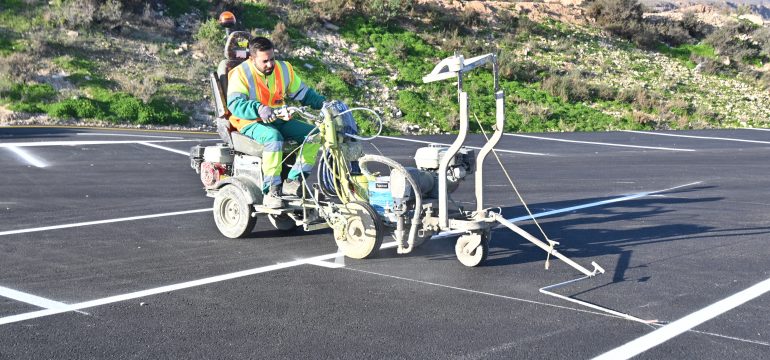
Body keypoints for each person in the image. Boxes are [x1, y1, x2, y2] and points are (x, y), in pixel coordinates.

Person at [226, 37, 326, 208]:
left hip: (278, 118)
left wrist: (324, 104)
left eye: (272, 59)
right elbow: (235, 104)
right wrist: (258, 108)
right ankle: (272, 189)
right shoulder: (241, 73)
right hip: (250, 121)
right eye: (265, 61)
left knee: (315, 135)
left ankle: (293, 181)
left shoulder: (283, 69)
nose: (270, 64)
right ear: (252, 58)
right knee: (273, 137)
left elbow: (303, 93)